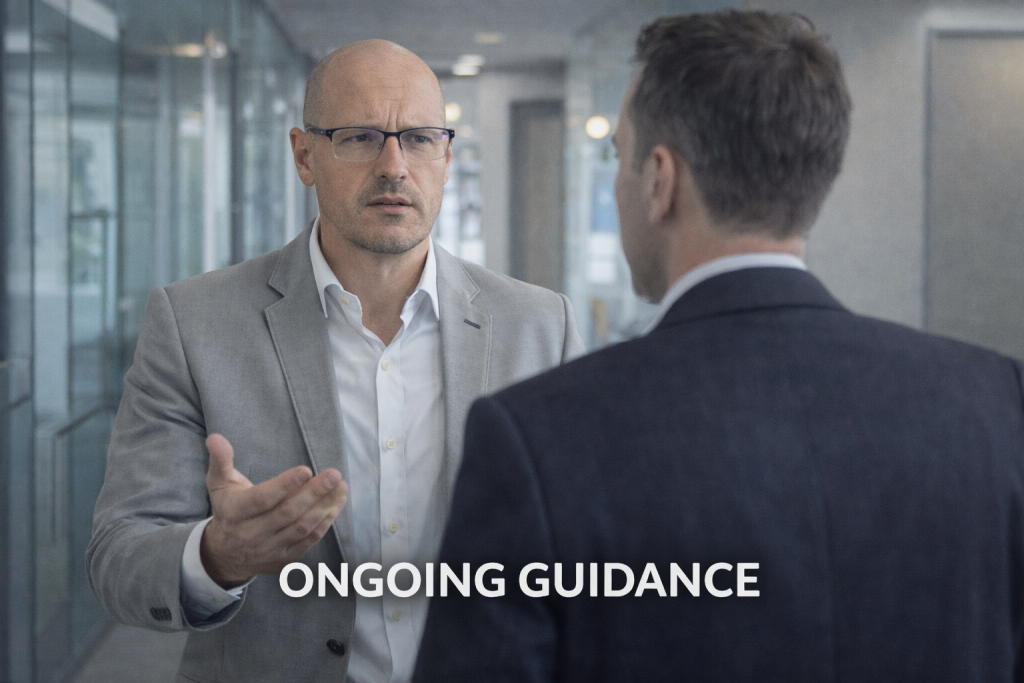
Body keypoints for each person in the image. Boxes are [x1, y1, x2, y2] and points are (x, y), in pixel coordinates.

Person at [412, 10, 1024, 682]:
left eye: (619, 156)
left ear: (660, 180)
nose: (617, 184)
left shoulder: (537, 439)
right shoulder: (997, 406)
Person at [87, 40, 584, 683]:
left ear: (446, 158)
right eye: (359, 138)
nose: (393, 167)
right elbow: (119, 556)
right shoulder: (194, 324)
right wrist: (217, 556)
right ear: (304, 156)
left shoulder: (542, 327)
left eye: (420, 139)